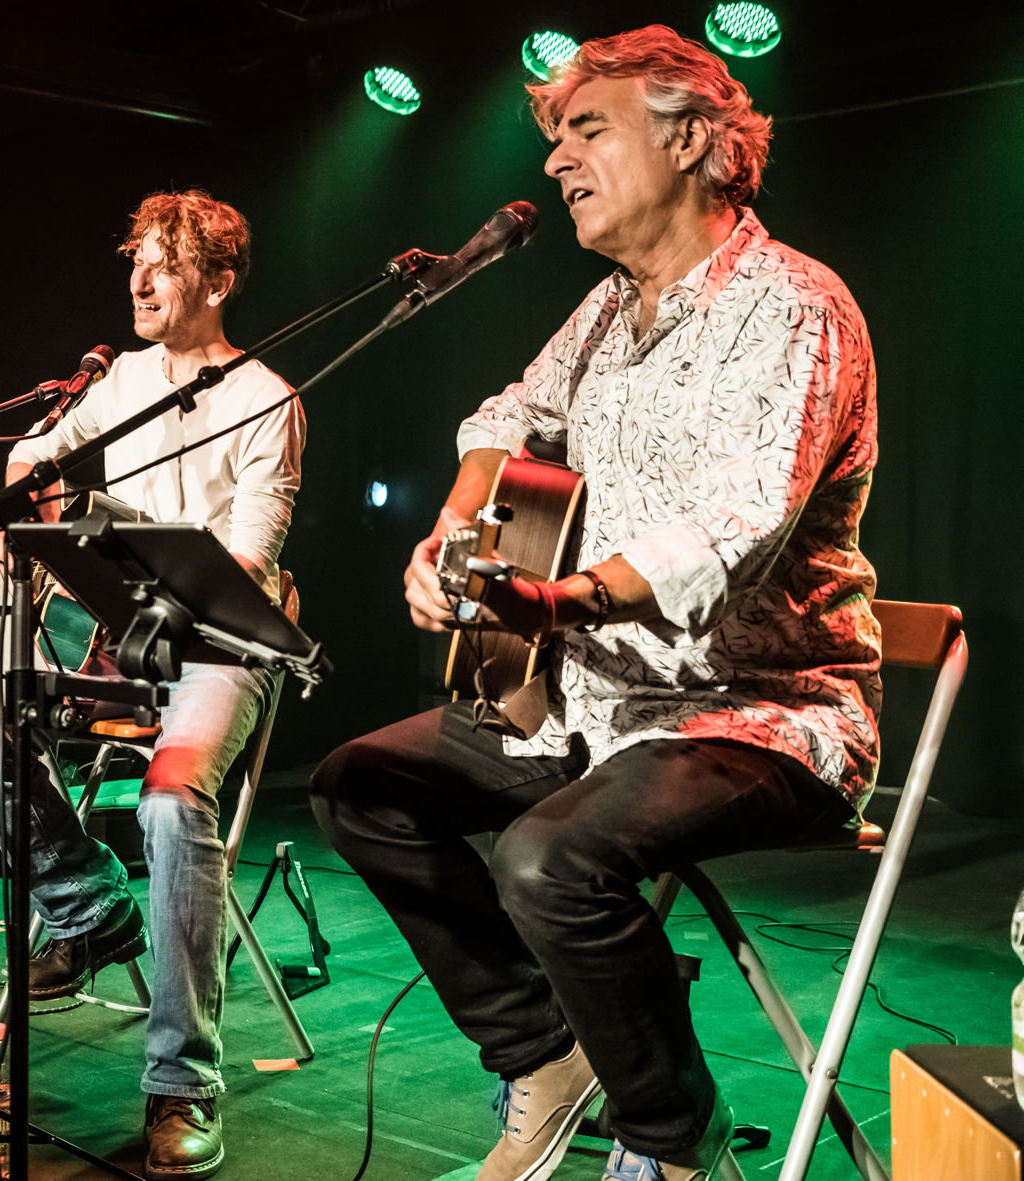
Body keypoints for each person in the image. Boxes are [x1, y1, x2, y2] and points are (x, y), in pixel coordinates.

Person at [311, 26, 878, 1181]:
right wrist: (456, 529)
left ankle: (670, 1143)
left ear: (689, 142)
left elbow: (737, 522)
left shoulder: (794, 306)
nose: (555, 161)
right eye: (554, 136)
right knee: (357, 784)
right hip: (593, 704)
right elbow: (503, 417)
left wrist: (561, 595)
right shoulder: (608, 311)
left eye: (585, 130)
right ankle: (545, 1050)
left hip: (758, 711)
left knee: (546, 857)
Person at [0, 189, 306, 1180]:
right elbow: (38, 453)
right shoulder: (126, 379)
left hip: (218, 641)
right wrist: (23, 497)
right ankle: (89, 911)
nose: (137, 279)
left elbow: (245, 563)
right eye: (134, 262)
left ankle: (182, 1079)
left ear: (216, 282)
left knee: (168, 803)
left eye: (161, 263)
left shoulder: (266, 398)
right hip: (117, 623)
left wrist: (148, 601)